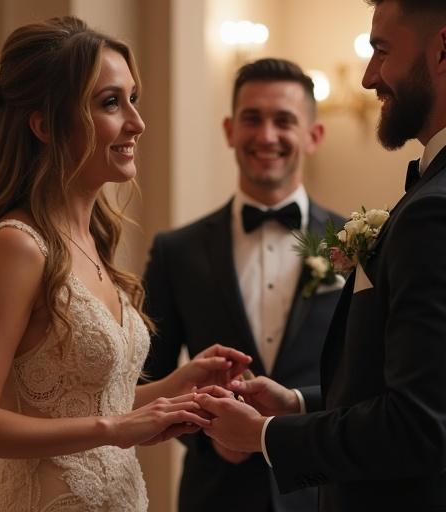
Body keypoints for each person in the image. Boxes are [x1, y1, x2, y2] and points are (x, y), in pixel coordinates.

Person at [0, 16, 252, 512]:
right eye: (110, 103)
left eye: (133, 99)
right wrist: (117, 429)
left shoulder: (90, 238)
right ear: (44, 124)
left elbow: (83, 406)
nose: (136, 122)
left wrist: (173, 391)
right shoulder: (16, 246)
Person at [194, 1, 446, 511]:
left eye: (381, 50)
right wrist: (299, 403)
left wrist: (267, 435)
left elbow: (421, 423)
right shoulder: (429, 193)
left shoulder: (433, 210)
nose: (369, 77)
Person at [143, 58, 344, 512]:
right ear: (230, 129)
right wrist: (207, 434)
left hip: (325, 492)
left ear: (313, 136)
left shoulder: (357, 242)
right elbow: (148, 378)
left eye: (284, 121)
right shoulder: (176, 250)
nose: (267, 136)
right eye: (252, 119)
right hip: (217, 494)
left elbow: (367, 376)